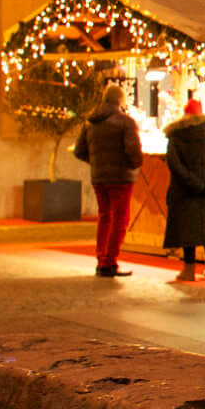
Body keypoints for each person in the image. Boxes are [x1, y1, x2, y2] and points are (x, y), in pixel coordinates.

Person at [73, 83, 142, 279]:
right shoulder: (125, 122)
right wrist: (135, 164)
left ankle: (101, 257)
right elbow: (133, 151)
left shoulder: (90, 121)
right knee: (120, 219)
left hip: (99, 177)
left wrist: (97, 162)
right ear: (121, 100)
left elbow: (79, 151)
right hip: (120, 177)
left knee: (104, 217)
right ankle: (109, 261)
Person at [161, 96, 205, 282]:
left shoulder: (176, 138)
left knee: (187, 229)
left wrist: (193, 183)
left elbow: (175, 165)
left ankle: (188, 269)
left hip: (184, 191)